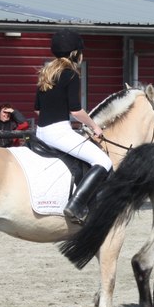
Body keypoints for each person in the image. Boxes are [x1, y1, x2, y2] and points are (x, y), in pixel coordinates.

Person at [35, 28, 112, 225]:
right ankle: (76, 205)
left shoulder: (45, 73)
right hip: (58, 132)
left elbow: (37, 110)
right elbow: (76, 111)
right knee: (104, 161)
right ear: (74, 53)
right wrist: (95, 127)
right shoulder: (70, 75)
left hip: (41, 132)